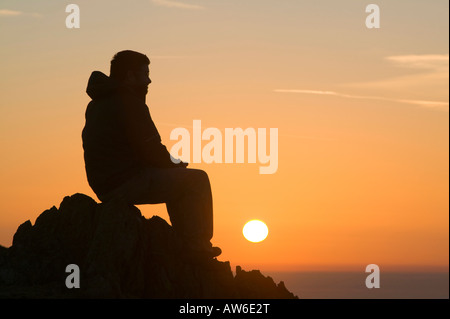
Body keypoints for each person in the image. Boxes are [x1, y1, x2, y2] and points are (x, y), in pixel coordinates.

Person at [82, 50, 221, 258]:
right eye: (145, 74)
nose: (149, 80)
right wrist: (175, 164)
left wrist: (170, 166)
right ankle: (197, 244)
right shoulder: (129, 103)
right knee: (196, 180)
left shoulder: (97, 103)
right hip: (124, 183)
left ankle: (187, 242)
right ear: (130, 76)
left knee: (175, 180)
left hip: (105, 185)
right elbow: (151, 148)